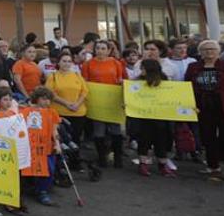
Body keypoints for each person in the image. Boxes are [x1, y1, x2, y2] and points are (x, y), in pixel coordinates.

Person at [185, 40, 224, 182]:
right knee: (207, 137)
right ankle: (213, 166)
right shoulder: (193, 67)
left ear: (218, 51)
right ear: (200, 52)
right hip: (203, 107)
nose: (209, 52)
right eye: (205, 49)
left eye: (212, 49)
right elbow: (186, 87)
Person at [81, 40, 127, 168]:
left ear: (108, 50)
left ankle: (118, 157)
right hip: (97, 101)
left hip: (113, 100)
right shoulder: (88, 64)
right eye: (98, 48)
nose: (100, 51)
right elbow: (85, 82)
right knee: (98, 131)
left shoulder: (116, 63)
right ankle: (102, 158)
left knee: (116, 130)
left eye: (103, 48)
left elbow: (121, 81)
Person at [132, 59, 176, 177]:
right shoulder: (137, 81)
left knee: (161, 141)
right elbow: (131, 95)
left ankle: (162, 165)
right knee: (144, 141)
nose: (141, 70)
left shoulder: (164, 80)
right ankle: (143, 164)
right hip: (144, 117)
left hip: (160, 116)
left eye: (143, 68)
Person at [20, 87, 61, 205]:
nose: (47, 102)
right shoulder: (26, 111)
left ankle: (42, 191)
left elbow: (55, 130)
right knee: (28, 168)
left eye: (49, 99)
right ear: (37, 99)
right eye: (44, 99)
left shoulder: (52, 112)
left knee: (49, 170)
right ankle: (29, 188)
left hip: (47, 147)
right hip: (31, 147)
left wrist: (57, 144)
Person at [45, 53, 89, 145]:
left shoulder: (77, 75)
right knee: (63, 140)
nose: (67, 63)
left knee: (76, 138)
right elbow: (50, 93)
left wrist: (77, 104)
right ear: (59, 63)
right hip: (60, 113)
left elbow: (84, 91)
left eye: (69, 61)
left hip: (78, 112)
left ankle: (76, 158)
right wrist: (66, 104)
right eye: (64, 61)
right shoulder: (52, 76)